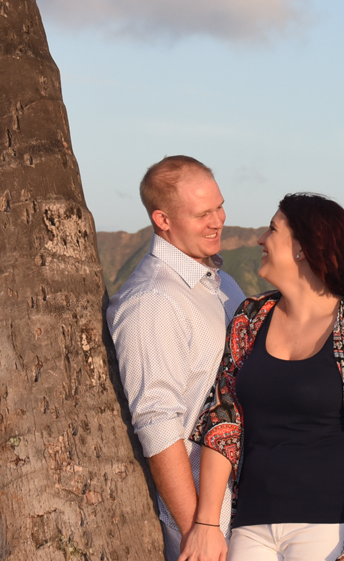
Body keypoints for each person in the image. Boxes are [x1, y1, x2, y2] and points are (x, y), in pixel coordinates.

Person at [183, 193, 344, 561]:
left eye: (272, 229)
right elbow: (223, 422)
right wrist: (206, 524)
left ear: (303, 247)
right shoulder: (251, 318)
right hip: (250, 525)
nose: (260, 239)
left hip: (327, 529)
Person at [106, 156, 246, 561]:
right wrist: (195, 528)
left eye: (219, 206)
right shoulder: (152, 301)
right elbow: (157, 420)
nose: (218, 220)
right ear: (163, 219)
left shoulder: (224, 286)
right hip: (206, 520)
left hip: (247, 509)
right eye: (202, 213)